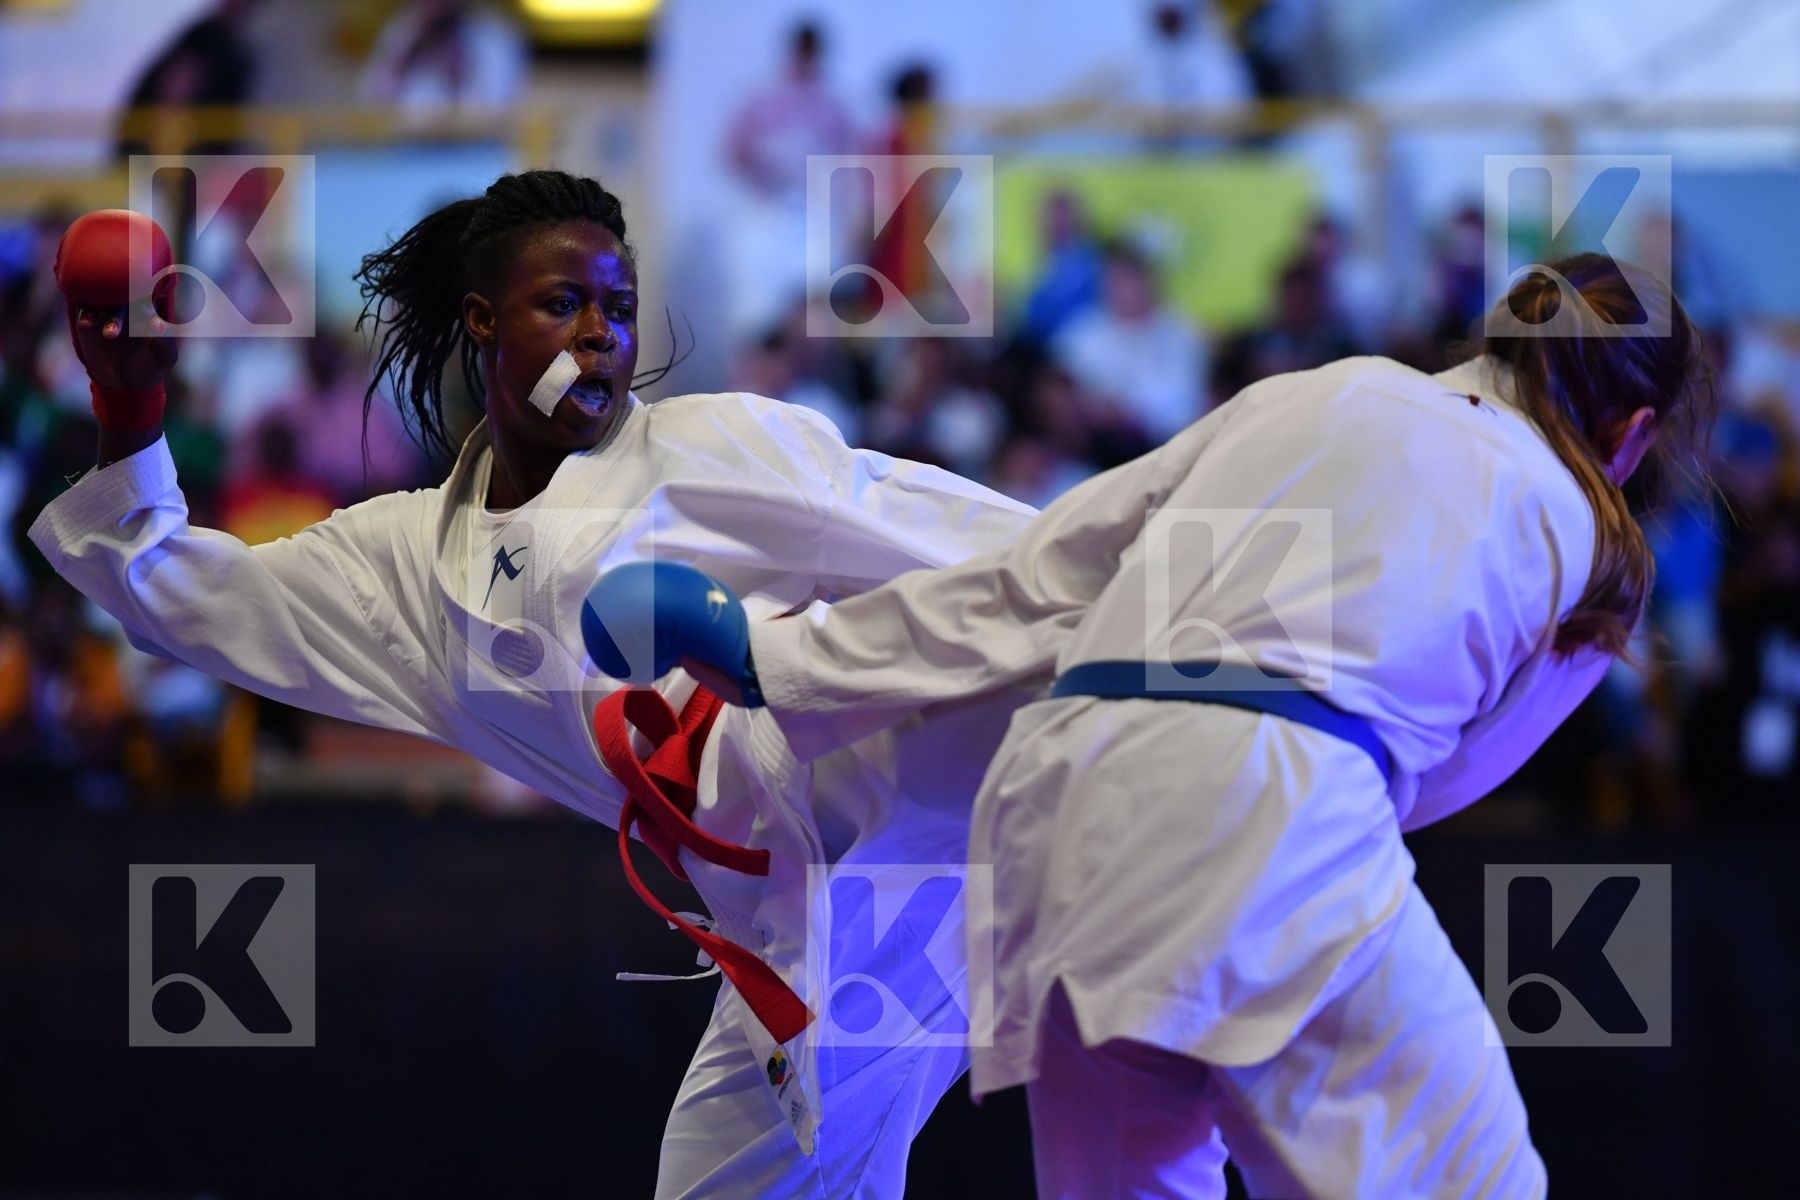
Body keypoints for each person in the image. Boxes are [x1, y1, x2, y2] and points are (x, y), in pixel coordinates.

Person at [598, 254, 1718, 1197]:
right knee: (1476, 1179)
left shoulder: (1315, 390)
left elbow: (1040, 577)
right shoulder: (1591, 534)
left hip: (1058, 803)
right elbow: (1436, 787)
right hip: (1271, 801)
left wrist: (777, 657)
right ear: (1632, 428)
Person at [30, 171, 1038, 1198]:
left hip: (932, 812)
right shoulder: (409, 567)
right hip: (792, 933)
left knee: (1138, 1111)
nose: (599, 334)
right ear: (483, 323)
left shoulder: (711, 447)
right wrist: (130, 401)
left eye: (620, 310)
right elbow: (181, 593)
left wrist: (1157, 612)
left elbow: (986, 546)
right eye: (563, 304)